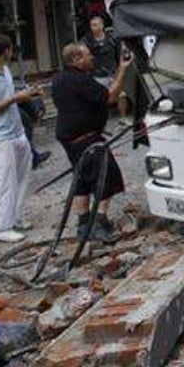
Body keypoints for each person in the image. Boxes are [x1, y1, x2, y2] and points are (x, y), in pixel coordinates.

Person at [51, 42, 134, 244]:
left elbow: (76, 107)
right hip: (84, 139)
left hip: (72, 136)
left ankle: (83, 224)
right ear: (76, 60)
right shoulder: (80, 80)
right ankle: (99, 222)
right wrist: (123, 69)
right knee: (107, 176)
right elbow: (110, 96)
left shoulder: (59, 79)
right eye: (87, 55)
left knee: (82, 179)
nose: (91, 58)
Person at [0, 34, 42, 242]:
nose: (12, 52)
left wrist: (28, 93)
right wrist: (16, 98)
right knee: (2, 184)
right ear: (6, 51)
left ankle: (14, 217)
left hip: (16, 132)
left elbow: (9, 96)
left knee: (22, 178)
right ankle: (1, 228)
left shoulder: (5, 70)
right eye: (11, 49)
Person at [82, 16, 121, 81]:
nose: (93, 27)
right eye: (91, 25)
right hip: (95, 74)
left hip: (112, 73)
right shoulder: (86, 40)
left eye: (95, 25)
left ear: (102, 25)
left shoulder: (112, 39)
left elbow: (118, 55)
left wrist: (118, 70)